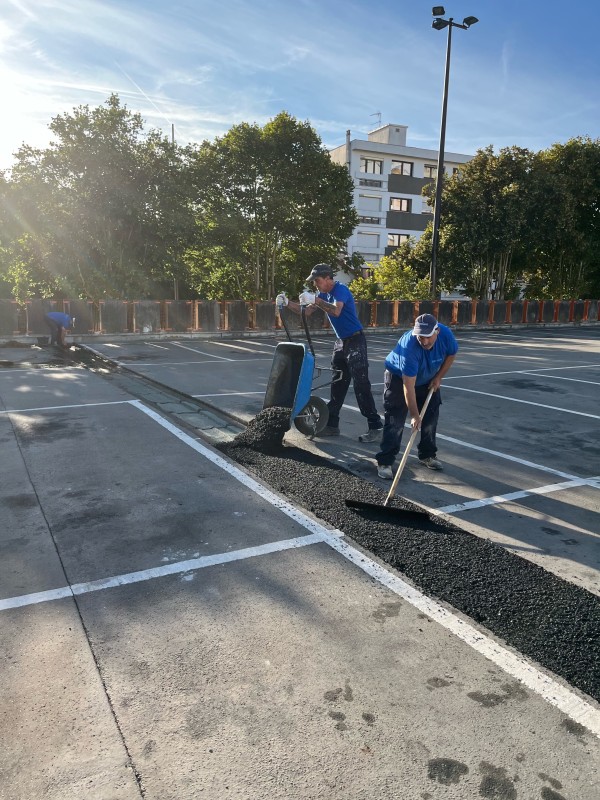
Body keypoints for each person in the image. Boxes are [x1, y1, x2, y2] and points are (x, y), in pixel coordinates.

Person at [276, 263, 382, 440]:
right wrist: (287, 303)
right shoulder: (323, 293)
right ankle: (332, 425)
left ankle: (375, 426)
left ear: (327, 278)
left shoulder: (340, 290)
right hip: (341, 342)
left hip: (355, 340)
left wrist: (316, 300)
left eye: (317, 280)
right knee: (338, 383)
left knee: (361, 384)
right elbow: (307, 312)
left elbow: (337, 311)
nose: (315, 284)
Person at [375, 313, 458, 479]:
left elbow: (451, 354)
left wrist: (438, 377)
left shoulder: (446, 335)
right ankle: (385, 461)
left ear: (437, 332)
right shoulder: (409, 348)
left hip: (428, 378)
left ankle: (427, 454)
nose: (424, 341)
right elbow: (408, 385)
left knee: (430, 417)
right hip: (399, 379)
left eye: (428, 337)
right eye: (420, 337)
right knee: (395, 420)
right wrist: (414, 415)